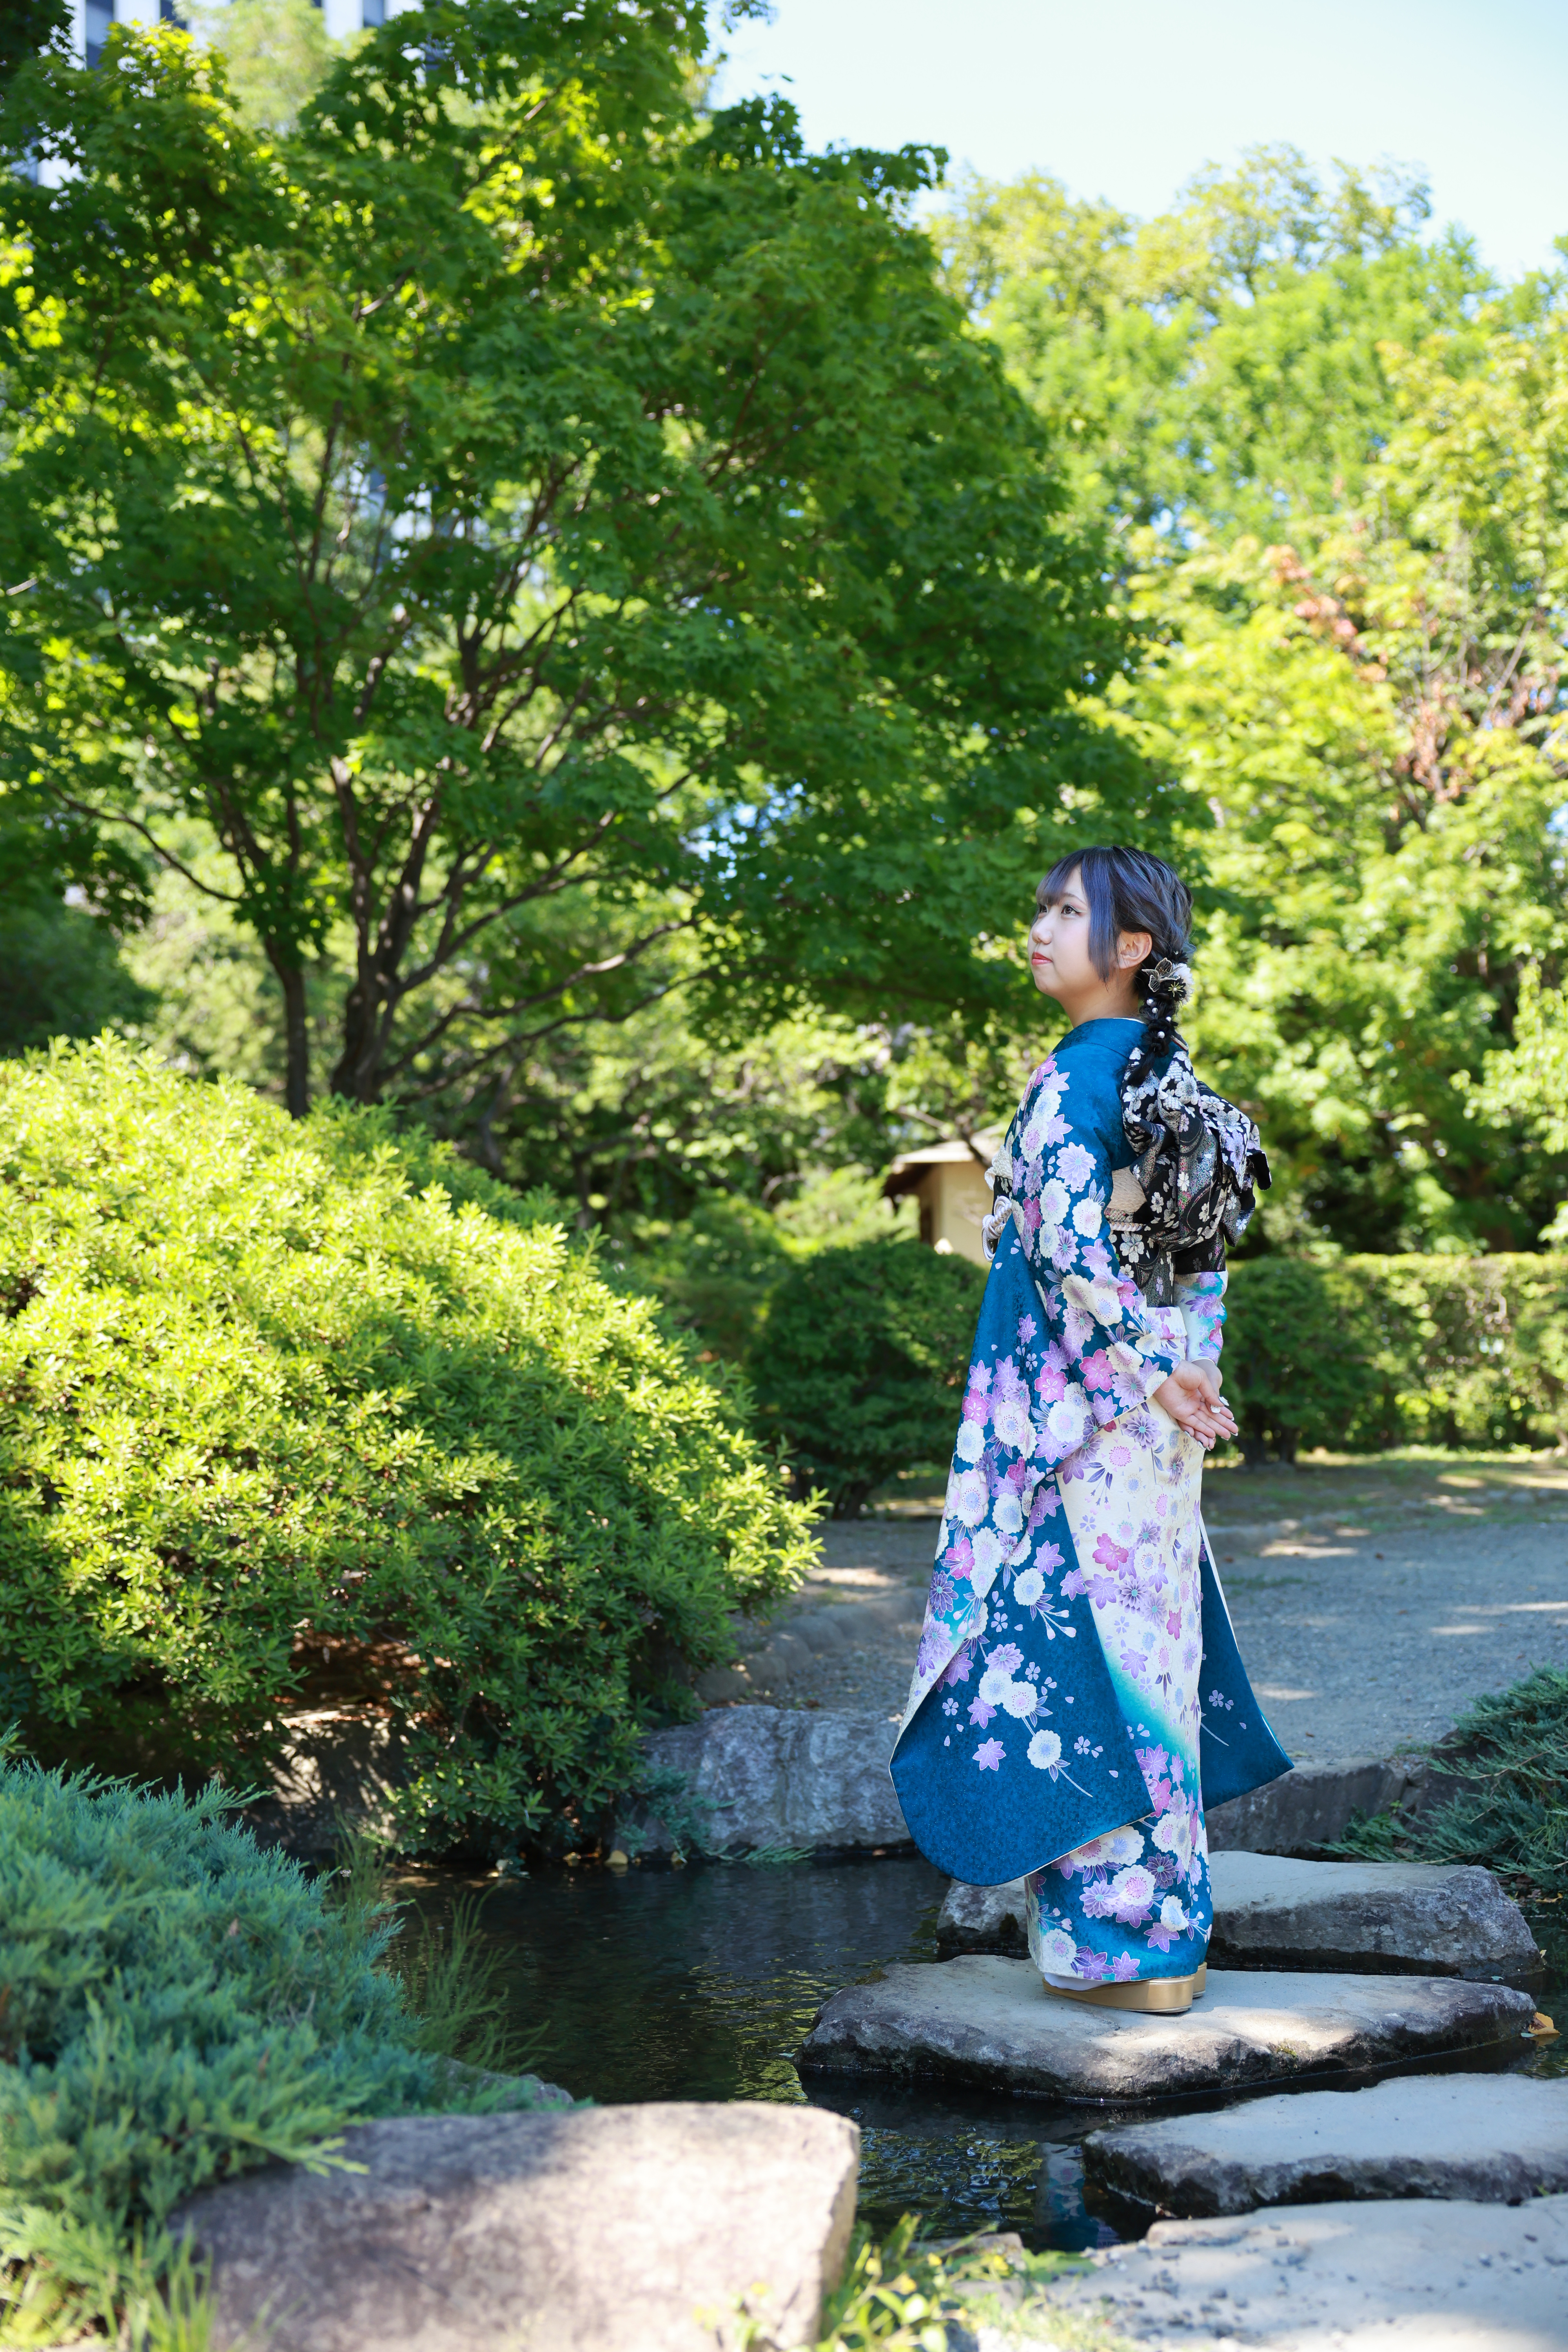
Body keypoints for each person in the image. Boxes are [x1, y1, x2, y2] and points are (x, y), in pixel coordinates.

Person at [889, 846, 1290, 2014]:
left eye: (1069, 911)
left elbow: (1067, 1247)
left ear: (1131, 950)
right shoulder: (1172, 1085)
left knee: (1071, 1653)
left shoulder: (1074, 1082)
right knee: (1148, 1651)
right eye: (1041, 908)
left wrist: (1151, 1372)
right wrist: (1190, 1366)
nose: (1040, 926)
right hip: (1151, 1419)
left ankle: (1119, 1945)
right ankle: (1172, 1936)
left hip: (1078, 1415)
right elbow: (1202, 1253)